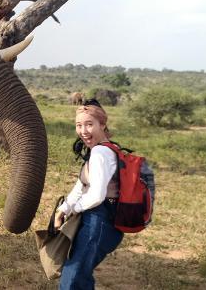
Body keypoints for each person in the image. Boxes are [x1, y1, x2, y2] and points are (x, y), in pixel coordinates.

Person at [55, 99, 123, 290]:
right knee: (80, 278)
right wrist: (64, 208)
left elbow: (96, 196)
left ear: (102, 125)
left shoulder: (101, 153)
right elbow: (81, 185)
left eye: (89, 124)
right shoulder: (104, 150)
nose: (83, 131)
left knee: (73, 280)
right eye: (79, 125)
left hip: (98, 223)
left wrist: (73, 209)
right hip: (99, 221)